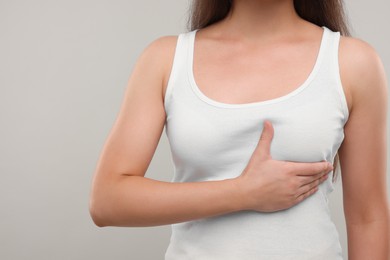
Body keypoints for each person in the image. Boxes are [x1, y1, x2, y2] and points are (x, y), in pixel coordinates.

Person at [89, 0, 389, 259]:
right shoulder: (166, 59)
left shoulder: (352, 62)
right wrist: (243, 192)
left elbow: (368, 218)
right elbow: (107, 200)